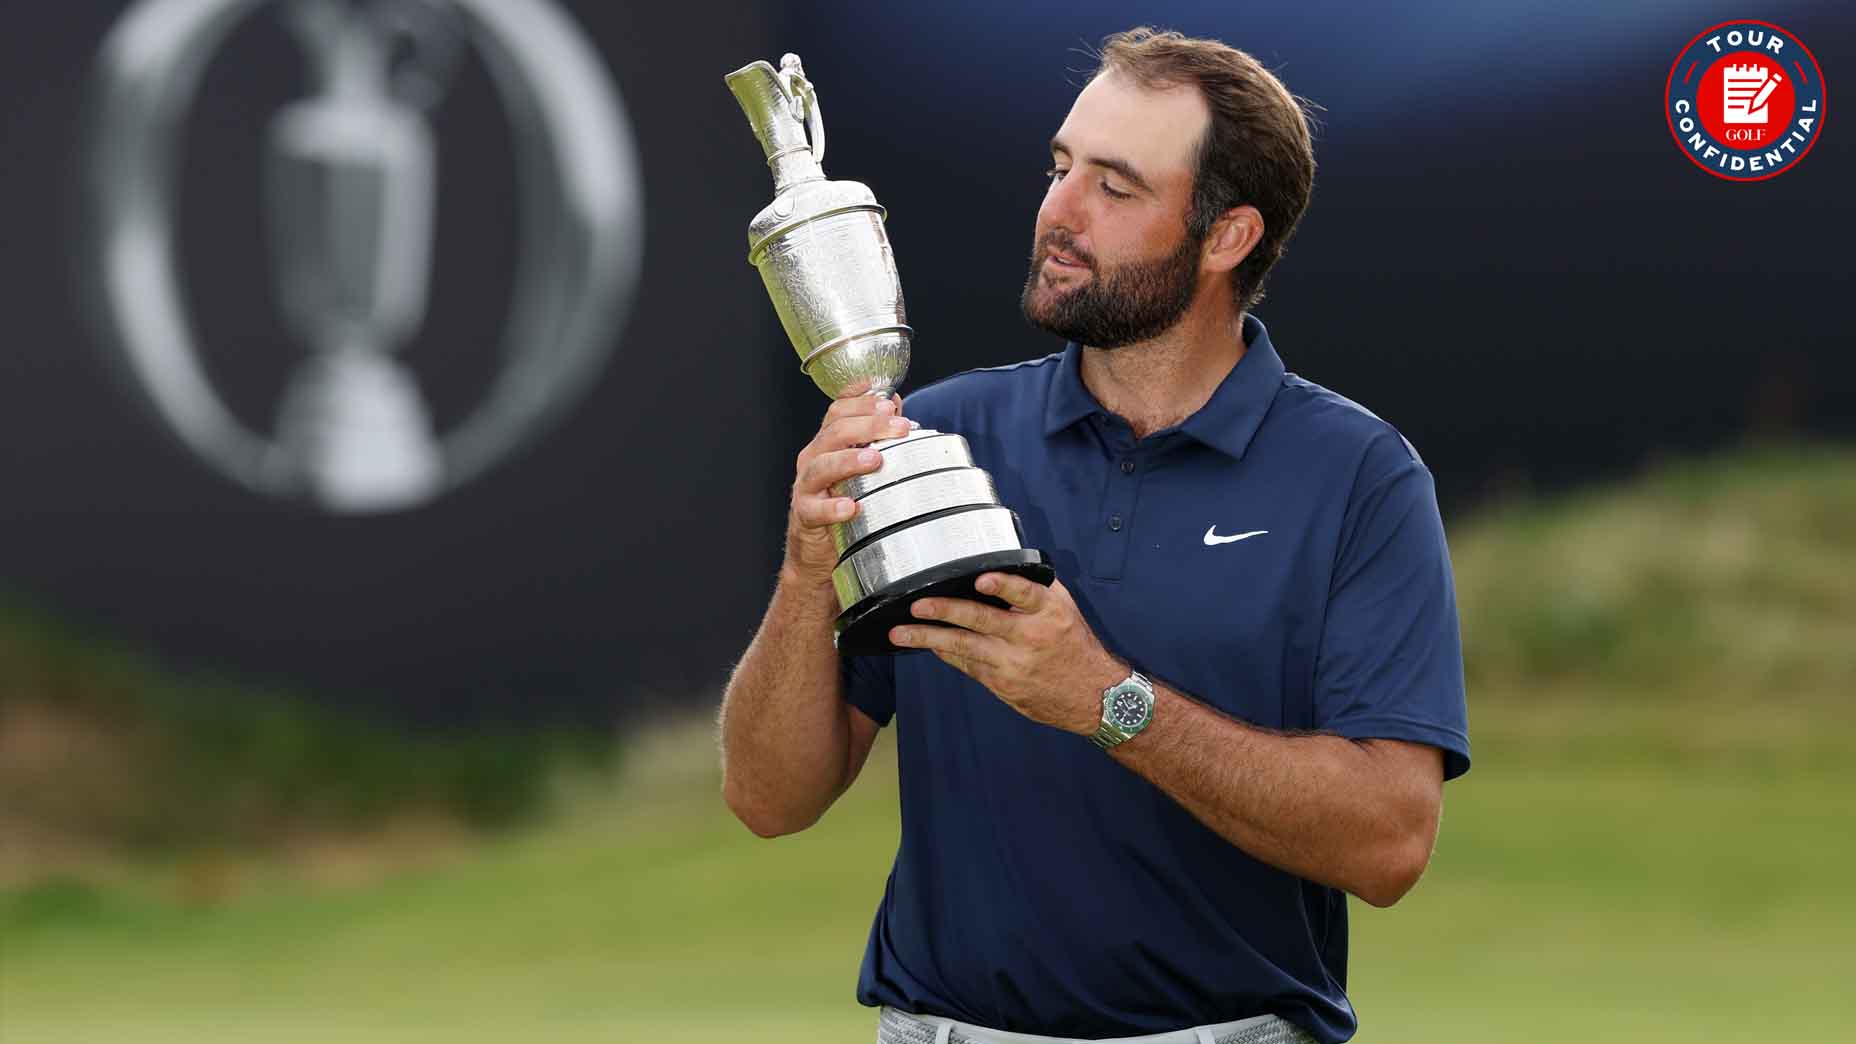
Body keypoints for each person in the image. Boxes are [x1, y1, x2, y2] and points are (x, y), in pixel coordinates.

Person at [719, 26, 1469, 1044]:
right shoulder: (936, 435)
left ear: (1226, 237)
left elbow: (1387, 843)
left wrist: (1106, 702)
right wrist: (808, 571)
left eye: (1114, 188)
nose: (1056, 213)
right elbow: (769, 799)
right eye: (1058, 166)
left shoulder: (1355, 477)